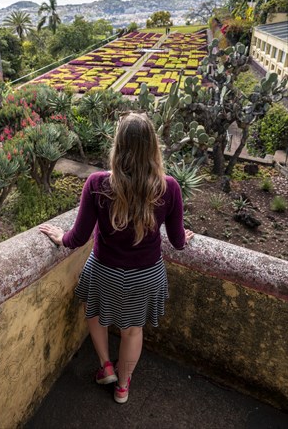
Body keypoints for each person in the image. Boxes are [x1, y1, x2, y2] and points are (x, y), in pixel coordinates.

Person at [39, 112, 194, 404]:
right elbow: (177, 242)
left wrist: (61, 237)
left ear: (118, 145)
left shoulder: (97, 184)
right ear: (153, 147)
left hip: (104, 271)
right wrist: (185, 236)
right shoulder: (169, 187)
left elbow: (78, 238)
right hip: (147, 275)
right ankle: (122, 387)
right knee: (132, 330)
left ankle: (106, 366)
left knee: (94, 312)